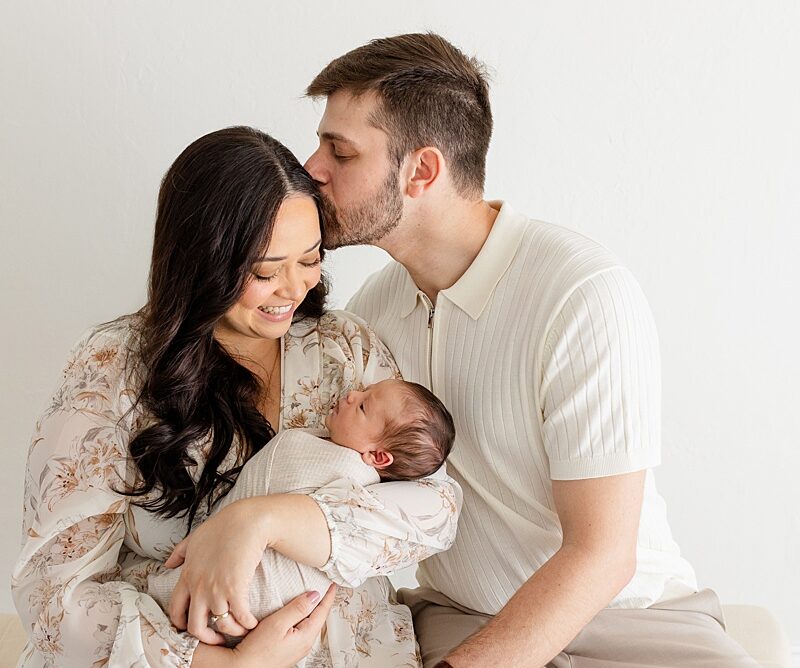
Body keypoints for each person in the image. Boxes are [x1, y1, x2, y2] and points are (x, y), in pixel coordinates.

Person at [302, 33, 759, 667]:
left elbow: (602, 553)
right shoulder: (370, 317)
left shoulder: (581, 295)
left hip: (630, 625)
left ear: (422, 171)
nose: (311, 168)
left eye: (340, 151)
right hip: (460, 620)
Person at [12, 126, 460, 667]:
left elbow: (435, 510)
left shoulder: (345, 348)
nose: (294, 289)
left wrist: (261, 521)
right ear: (203, 261)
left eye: (310, 259)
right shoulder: (112, 367)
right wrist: (227, 665)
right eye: (266, 271)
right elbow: (54, 592)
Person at [148, 378, 456, 631]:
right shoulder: (332, 442)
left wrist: (258, 521)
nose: (351, 394)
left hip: (268, 599)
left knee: (193, 599)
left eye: (363, 406)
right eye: (364, 391)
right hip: (222, 583)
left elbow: (436, 510)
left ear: (377, 457)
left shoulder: (351, 479)